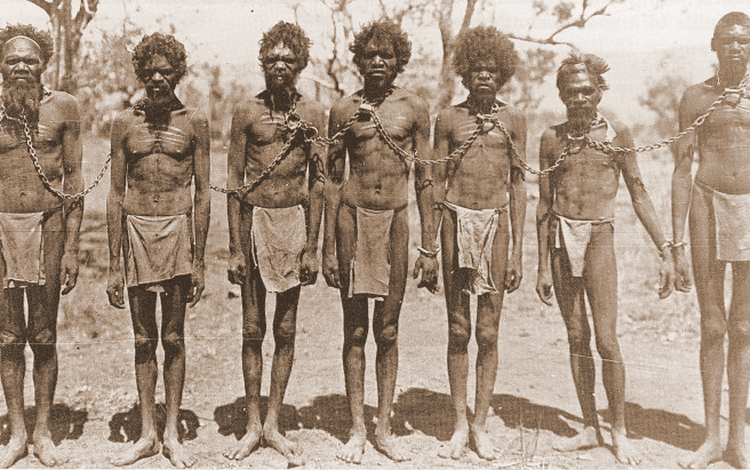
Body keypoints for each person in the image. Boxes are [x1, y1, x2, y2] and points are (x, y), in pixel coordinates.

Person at [535, 52, 674, 465]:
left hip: (599, 238)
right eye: (571, 91)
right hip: (562, 238)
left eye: (587, 90)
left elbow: (639, 191)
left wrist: (665, 249)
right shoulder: (551, 138)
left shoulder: (617, 134)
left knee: (607, 339)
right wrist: (543, 264)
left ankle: (619, 430)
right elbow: (544, 204)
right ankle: (589, 426)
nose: (579, 98)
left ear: (599, 91)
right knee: (577, 339)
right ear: (561, 94)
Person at [322, 19, 438, 464]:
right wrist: (330, 249)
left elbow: (426, 178)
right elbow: (333, 181)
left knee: (387, 329)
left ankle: (384, 427)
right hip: (352, 218)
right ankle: (356, 428)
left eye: (385, 56)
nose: (376, 62)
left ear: (398, 61)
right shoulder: (343, 109)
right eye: (369, 55)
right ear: (358, 60)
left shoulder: (414, 108)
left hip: (396, 220)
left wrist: (429, 246)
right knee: (354, 329)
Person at [223, 21, 325, 466]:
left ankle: (274, 423)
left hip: (294, 224)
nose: (280, 66)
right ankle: (250, 424)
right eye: (273, 59)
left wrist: (313, 246)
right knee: (252, 327)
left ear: (300, 65)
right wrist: (234, 247)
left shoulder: (314, 115)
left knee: (285, 329)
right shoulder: (246, 111)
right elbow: (232, 180)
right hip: (254, 224)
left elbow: (319, 183)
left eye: (289, 59)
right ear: (263, 63)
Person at [106, 32, 210, 468]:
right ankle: (147, 431)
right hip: (135, 231)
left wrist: (200, 258)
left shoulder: (194, 123)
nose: (157, 78)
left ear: (177, 73)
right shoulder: (124, 124)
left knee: (173, 336)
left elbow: (203, 194)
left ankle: (172, 434)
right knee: (143, 337)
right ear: (141, 73)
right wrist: (113, 264)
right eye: (149, 70)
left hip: (176, 234)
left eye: (165, 71)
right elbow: (114, 194)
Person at [432, 26, 526, 461]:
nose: (485, 77)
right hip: (455, 221)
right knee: (458, 328)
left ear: (502, 74)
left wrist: (519, 251)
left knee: (488, 331)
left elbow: (520, 184)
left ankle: (481, 425)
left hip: (497, 225)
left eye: (492, 71)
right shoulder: (449, 120)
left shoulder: (514, 121)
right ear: (465, 75)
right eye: (477, 71)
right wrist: (429, 246)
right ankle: (457, 425)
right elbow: (435, 181)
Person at [0, 24, 82, 469]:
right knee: (9, 336)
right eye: (12, 59)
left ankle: (44, 431)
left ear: (43, 64)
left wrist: (71, 248)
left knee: (44, 335)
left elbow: (74, 178)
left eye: (29, 60)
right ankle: (16, 433)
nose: (20, 66)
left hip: (50, 228)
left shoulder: (63, 107)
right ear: (0, 65)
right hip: (1, 232)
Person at [672, 12, 750, 470]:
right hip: (705, 204)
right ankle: (711, 438)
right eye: (728, 41)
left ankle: (738, 440)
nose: (736, 48)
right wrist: (675, 243)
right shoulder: (696, 97)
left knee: (744, 327)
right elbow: (682, 167)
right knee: (713, 325)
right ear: (714, 45)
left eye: (744, 41)